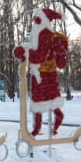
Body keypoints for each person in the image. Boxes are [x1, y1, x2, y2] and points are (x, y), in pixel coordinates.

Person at [13, 8, 68, 136]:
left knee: (44, 101)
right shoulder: (38, 33)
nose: (34, 22)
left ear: (42, 20)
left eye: (37, 19)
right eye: (35, 19)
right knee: (39, 102)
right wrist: (23, 51)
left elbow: (40, 56)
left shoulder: (45, 34)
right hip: (40, 74)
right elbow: (34, 51)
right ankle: (38, 127)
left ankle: (39, 128)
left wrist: (25, 52)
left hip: (45, 75)